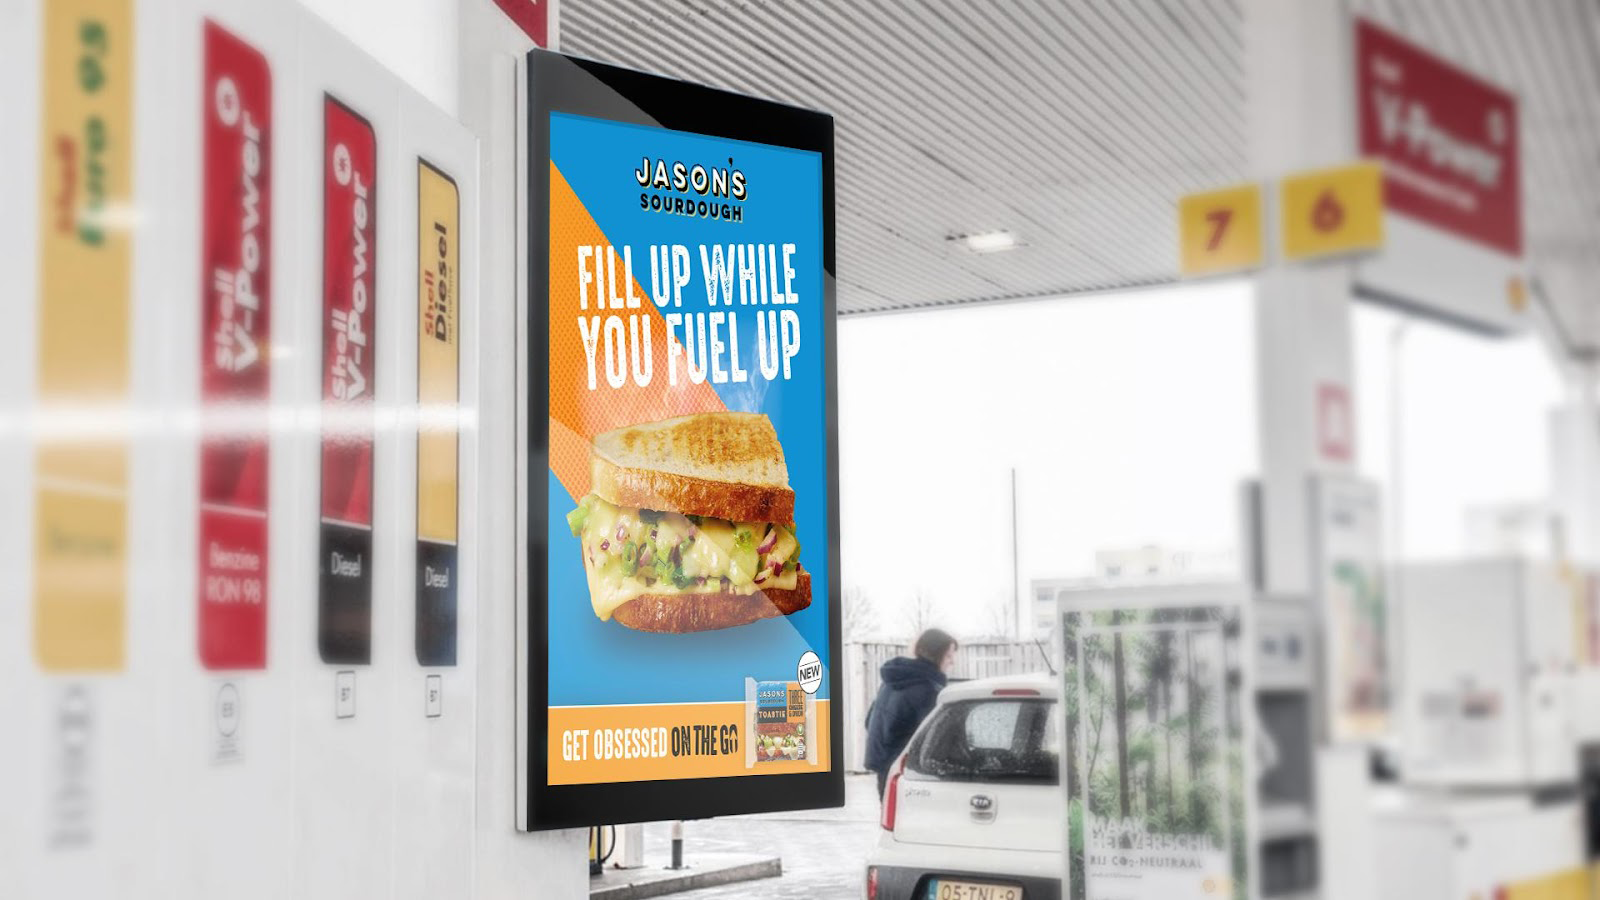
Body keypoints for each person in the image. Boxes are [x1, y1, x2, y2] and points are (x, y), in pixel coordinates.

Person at [864, 628, 958, 800]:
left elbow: (868, 721)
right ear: (936, 655)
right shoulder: (927, 690)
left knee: (893, 824)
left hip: (886, 770)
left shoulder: (892, 681)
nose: (952, 662)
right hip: (909, 776)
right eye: (949, 656)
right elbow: (937, 743)